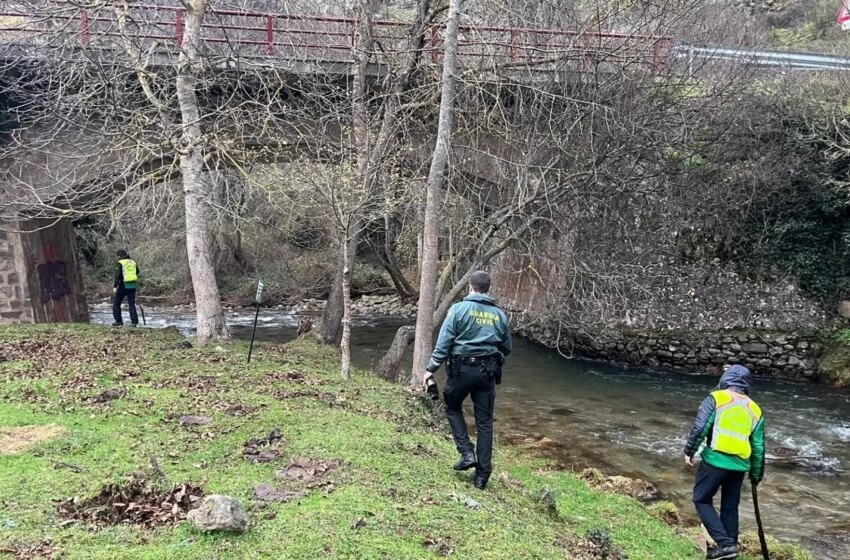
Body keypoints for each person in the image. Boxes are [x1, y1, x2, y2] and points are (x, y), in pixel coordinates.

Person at [423, 270, 512, 490]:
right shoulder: (500, 315)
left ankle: (466, 452)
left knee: (452, 406)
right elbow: (507, 347)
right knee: (484, 422)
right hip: (488, 373)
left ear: (470, 287)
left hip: (461, 369)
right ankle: (482, 477)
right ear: (488, 289)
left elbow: (444, 343)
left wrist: (430, 369)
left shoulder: (458, 310)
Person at [684, 365, 765, 560]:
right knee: (730, 507)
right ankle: (730, 548)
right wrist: (756, 475)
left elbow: (700, 427)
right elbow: (759, 447)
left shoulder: (717, 398)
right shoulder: (755, 409)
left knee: (701, 499)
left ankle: (726, 544)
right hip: (739, 466)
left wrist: (689, 451)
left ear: (725, 379)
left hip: (714, 461)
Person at [112, 249, 140, 327]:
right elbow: (137, 271)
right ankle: (134, 322)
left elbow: (117, 276)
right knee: (131, 304)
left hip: (123, 285)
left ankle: (119, 322)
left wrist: (115, 286)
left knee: (116, 304)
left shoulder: (120, 263)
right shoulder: (132, 262)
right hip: (133, 285)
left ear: (119, 256)